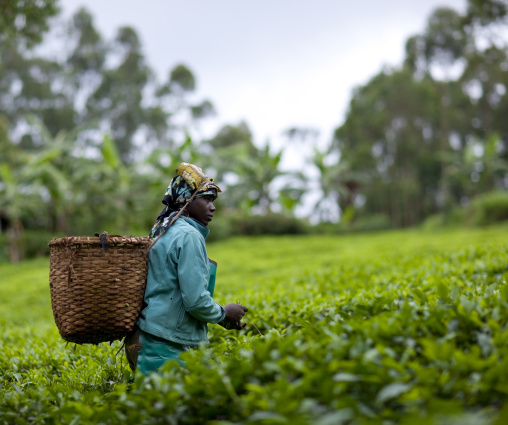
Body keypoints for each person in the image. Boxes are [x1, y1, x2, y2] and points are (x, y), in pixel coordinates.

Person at [125, 163, 248, 374]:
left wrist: (221, 319)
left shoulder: (163, 230)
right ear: (187, 201)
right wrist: (224, 312)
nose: (213, 207)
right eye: (207, 199)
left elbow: (171, 292)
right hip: (163, 344)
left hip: (145, 337)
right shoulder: (189, 236)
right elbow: (195, 301)